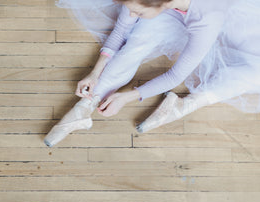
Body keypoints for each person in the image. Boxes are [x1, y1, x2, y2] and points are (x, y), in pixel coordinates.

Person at [44, 0, 260, 147]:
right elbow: (121, 30)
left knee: (253, 70)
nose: (133, 14)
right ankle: (86, 104)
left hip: (233, 19)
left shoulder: (207, 19)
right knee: (138, 41)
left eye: (138, 11)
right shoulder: (147, 3)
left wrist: (128, 97)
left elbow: (176, 76)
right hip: (175, 12)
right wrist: (95, 72)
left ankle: (185, 105)